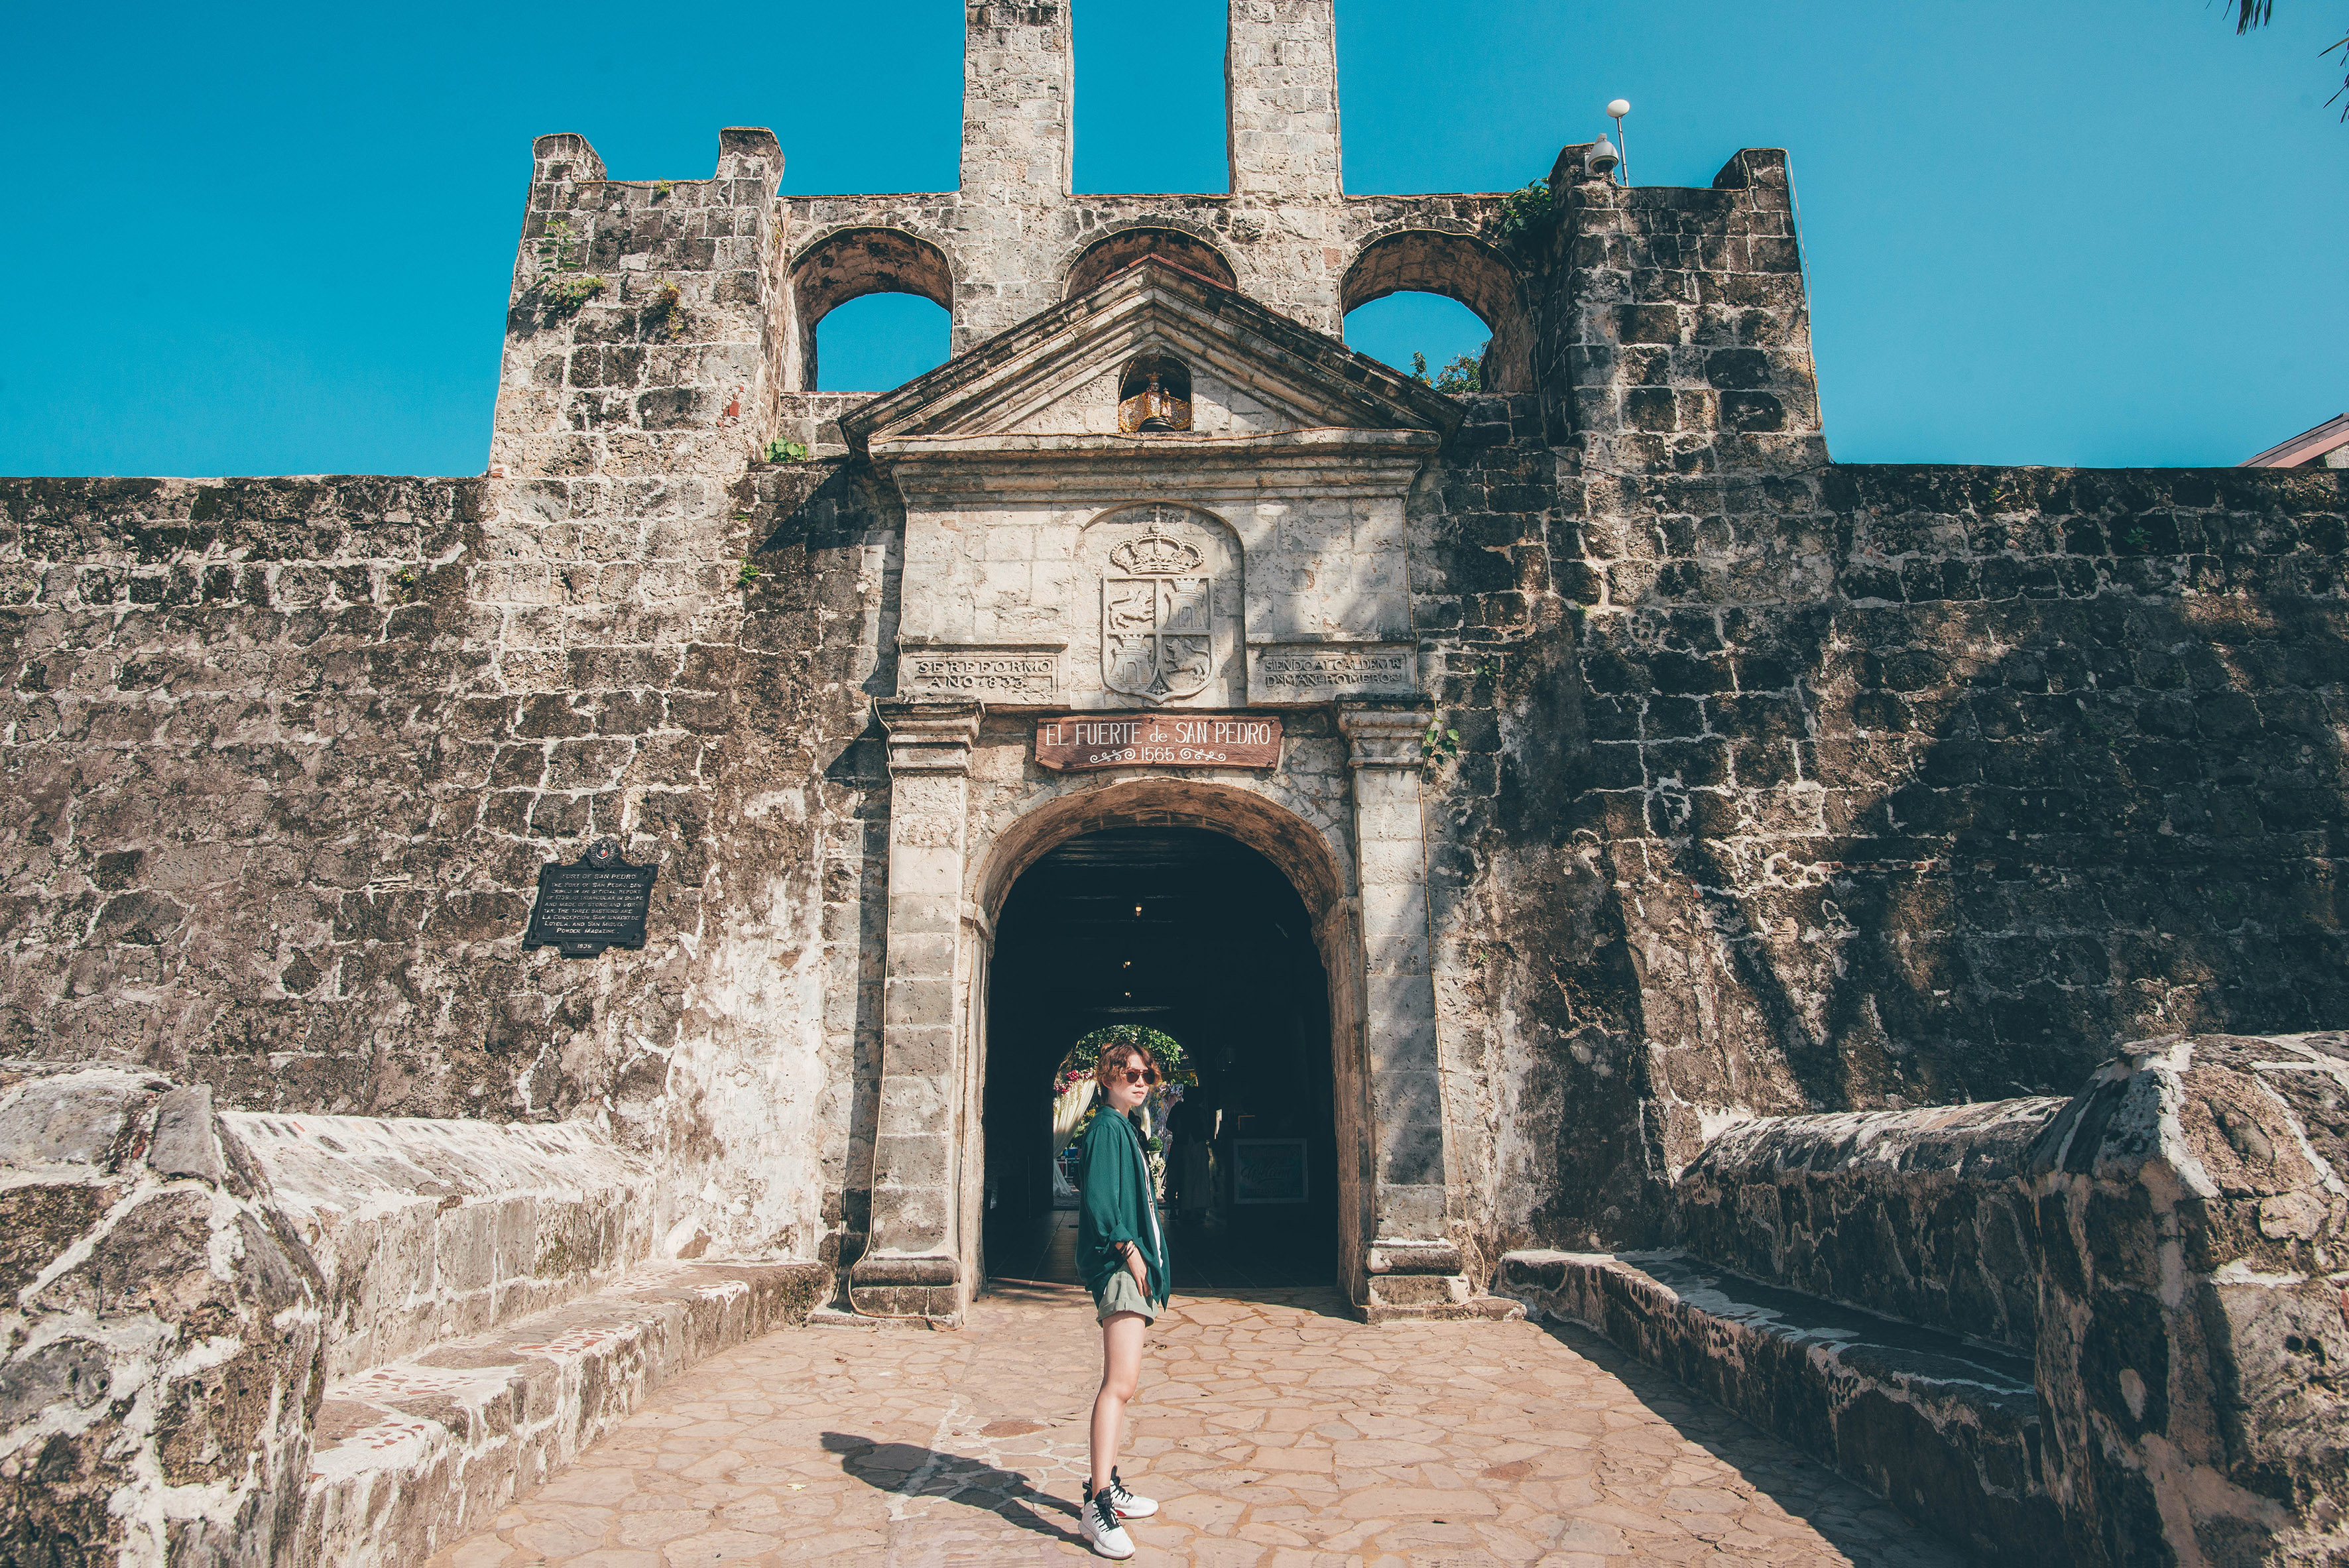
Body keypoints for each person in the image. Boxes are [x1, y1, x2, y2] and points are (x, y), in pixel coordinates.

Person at [1073, 1040, 1171, 1559]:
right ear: (1108, 1077)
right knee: (1118, 1384)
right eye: (1129, 1072)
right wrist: (1131, 1254)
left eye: (1147, 1074)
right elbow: (1100, 1202)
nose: (1140, 1080)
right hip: (1118, 1268)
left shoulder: (1124, 1127)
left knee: (1122, 1383)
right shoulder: (1108, 1129)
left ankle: (1107, 1483)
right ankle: (1098, 1504)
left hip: (1127, 1265)